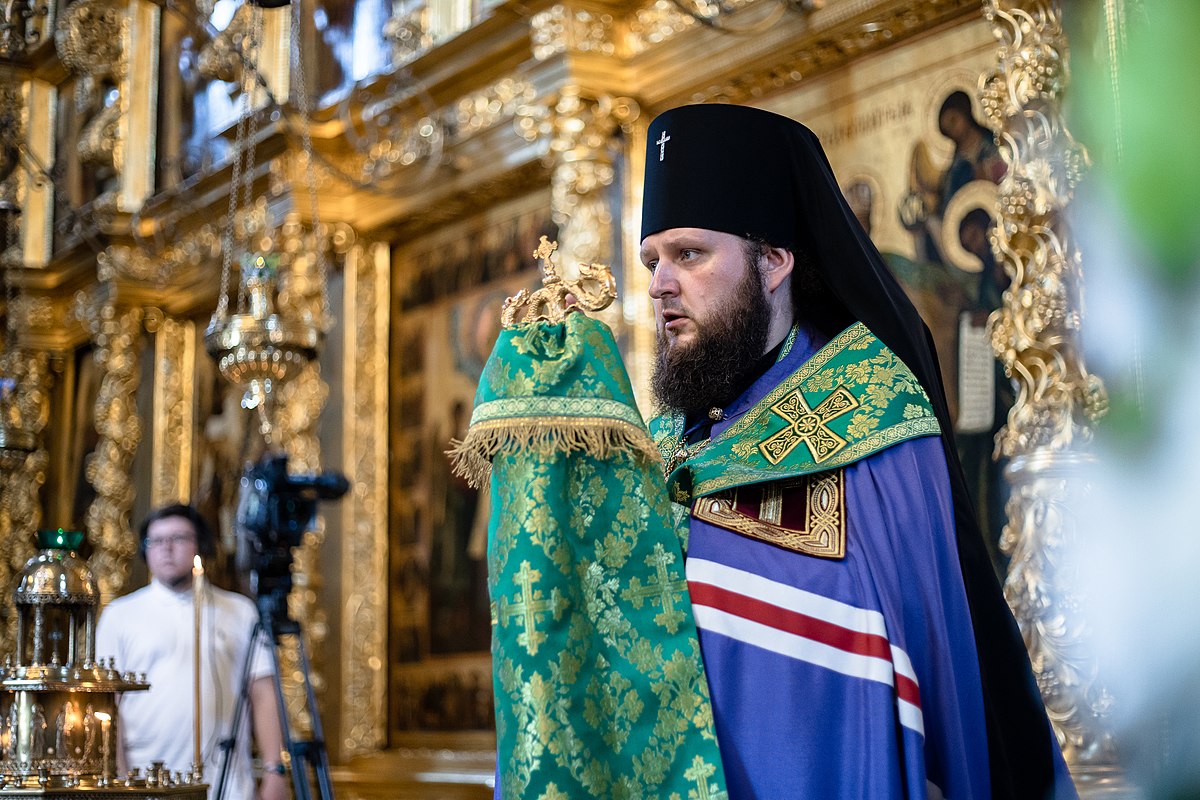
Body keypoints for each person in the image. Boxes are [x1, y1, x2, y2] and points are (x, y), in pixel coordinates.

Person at [639, 104, 1075, 798]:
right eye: (653, 260)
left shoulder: (874, 422)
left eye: (689, 254)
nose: (662, 283)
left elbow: (913, 665)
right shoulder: (664, 451)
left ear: (774, 259)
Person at [95, 504, 287, 800]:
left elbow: (263, 692)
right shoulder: (120, 615)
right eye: (156, 541)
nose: (167, 549)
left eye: (179, 538)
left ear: (201, 546)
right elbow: (108, 705)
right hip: (146, 779)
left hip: (227, 781)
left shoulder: (239, 611)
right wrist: (118, 778)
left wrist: (275, 770)